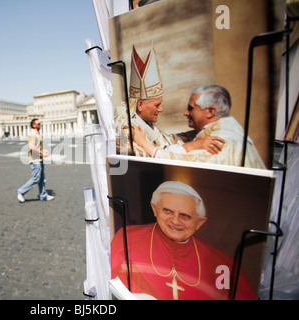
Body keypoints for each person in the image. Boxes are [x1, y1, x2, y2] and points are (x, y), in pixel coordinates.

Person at [110, 181, 256, 300]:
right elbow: (116, 280)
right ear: (154, 209)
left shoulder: (222, 263)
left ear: (199, 222)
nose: (175, 221)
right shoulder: (128, 237)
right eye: (167, 211)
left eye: (185, 216)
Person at [132, 85, 266, 169]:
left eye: (191, 108)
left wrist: (146, 145)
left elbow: (186, 163)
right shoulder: (221, 131)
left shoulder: (222, 140)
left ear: (210, 111)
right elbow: (173, 140)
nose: (186, 113)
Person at [117, 45, 175, 156]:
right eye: (157, 105)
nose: (161, 109)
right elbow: (133, 159)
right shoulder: (125, 128)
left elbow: (167, 140)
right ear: (140, 105)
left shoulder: (146, 121)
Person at [17, 118, 54, 203]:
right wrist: (41, 153)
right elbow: (31, 147)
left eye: (40, 123)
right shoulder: (32, 134)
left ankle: (43, 195)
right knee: (36, 178)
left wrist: (42, 151)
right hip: (35, 160)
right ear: (34, 125)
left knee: (42, 179)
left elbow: (36, 146)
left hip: (39, 159)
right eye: (38, 124)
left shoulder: (37, 134)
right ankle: (20, 191)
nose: (40, 125)